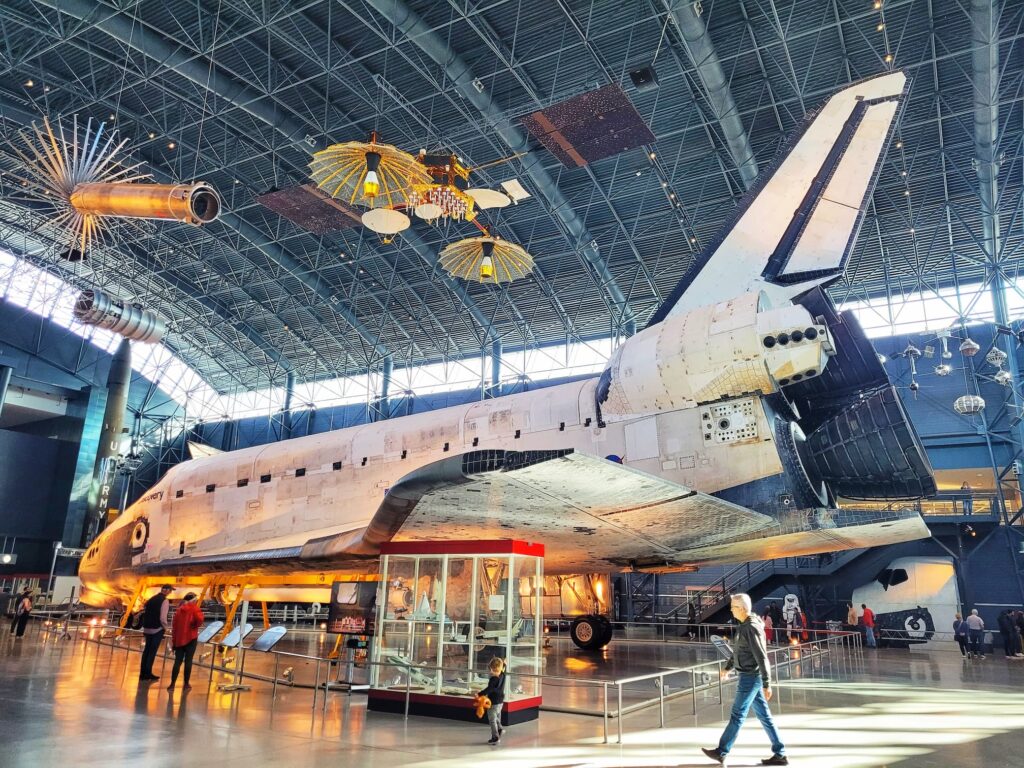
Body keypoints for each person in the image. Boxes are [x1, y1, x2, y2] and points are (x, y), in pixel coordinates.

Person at [701, 594, 787, 766]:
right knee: (765, 716)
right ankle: (780, 754)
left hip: (750, 678)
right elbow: (739, 651)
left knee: (737, 715)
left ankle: (721, 751)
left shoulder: (750, 628)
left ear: (742, 608)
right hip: (748, 675)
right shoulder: (744, 626)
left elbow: (762, 657)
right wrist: (727, 667)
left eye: (733, 607)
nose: (731, 610)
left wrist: (766, 683)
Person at [168, 592, 204, 691]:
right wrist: (195, 625)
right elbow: (200, 619)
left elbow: (174, 627)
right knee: (188, 661)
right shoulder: (195, 608)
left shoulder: (179, 610)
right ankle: (186, 684)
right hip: (191, 638)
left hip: (179, 639)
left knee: (177, 661)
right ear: (194, 600)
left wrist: (174, 642)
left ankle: (172, 684)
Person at [139, 585, 173, 681]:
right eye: (170, 591)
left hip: (147, 628)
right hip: (157, 629)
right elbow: (163, 618)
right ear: (166, 591)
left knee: (146, 651)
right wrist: (166, 628)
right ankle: (148, 673)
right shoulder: (164, 601)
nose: (170, 593)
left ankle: (143, 673)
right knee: (152, 652)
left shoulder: (151, 599)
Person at [478, 656, 506, 745]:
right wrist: (504, 663)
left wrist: (480, 694)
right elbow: (503, 667)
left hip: (493, 701)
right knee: (497, 715)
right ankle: (500, 728)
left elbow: (490, 689)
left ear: (492, 669)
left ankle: (495, 737)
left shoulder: (493, 679)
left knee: (492, 719)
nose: (489, 671)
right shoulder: (502, 674)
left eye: (490, 669)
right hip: (501, 701)